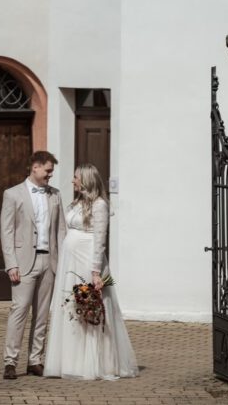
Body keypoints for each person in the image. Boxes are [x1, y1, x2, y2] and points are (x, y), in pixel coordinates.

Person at [44, 163, 139, 380]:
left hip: (88, 262)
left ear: (86, 179)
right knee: (70, 307)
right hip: (71, 261)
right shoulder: (77, 203)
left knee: (91, 306)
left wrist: (96, 271)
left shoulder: (100, 205)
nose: (72, 181)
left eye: (76, 177)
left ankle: (97, 364)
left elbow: (100, 240)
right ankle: (70, 361)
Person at [0, 150, 66, 380]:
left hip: (49, 260)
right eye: (48, 170)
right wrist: (11, 264)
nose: (50, 175)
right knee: (19, 311)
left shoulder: (55, 195)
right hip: (23, 262)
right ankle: (10, 361)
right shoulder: (12, 195)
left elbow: (60, 230)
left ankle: (35, 361)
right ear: (35, 167)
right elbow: (6, 232)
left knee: (41, 315)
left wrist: (62, 263)